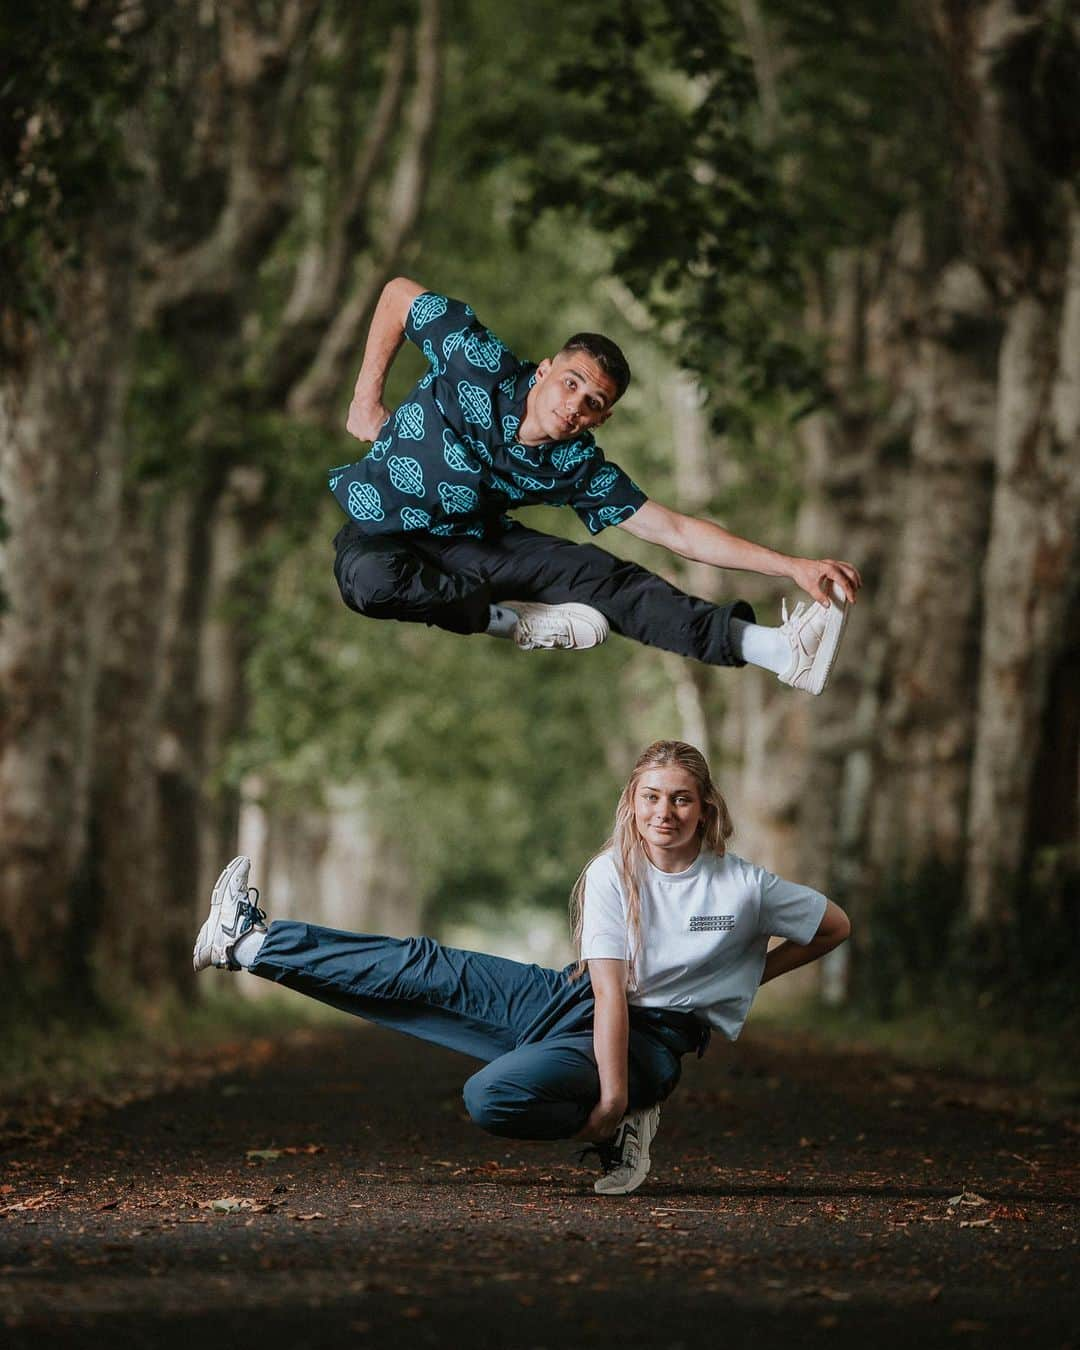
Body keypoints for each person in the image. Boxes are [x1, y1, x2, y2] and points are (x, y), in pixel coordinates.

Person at [193, 740, 850, 1194]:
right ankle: (249, 944)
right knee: (424, 966)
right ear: (633, 801)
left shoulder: (743, 887)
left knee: (491, 1097)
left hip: (652, 1040)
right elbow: (605, 988)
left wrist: (735, 984)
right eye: (652, 797)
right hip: (570, 996)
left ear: (705, 806)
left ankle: (624, 1119)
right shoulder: (611, 873)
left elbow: (832, 927)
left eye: (681, 800)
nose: (664, 814)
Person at [328, 277, 862, 694]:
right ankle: (507, 620)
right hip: (379, 535)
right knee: (372, 583)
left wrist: (792, 565)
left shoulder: (575, 464)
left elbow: (676, 530)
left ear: (600, 420)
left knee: (604, 579)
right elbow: (399, 295)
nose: (574, 406)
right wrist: (364, 398)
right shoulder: (477, 360)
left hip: (473, 546)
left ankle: (775, 650)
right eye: (571, 383)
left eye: (593, 404)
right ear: (543, 372)